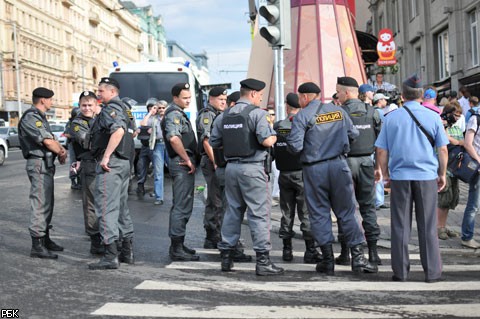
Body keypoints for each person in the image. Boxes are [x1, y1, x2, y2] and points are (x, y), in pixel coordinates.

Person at [287, 81, 377, 276]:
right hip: (339, 166)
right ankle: (358, 258)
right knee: (347, 211)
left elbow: (294, 146)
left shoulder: (303, 115)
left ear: (304, 97)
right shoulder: (338, 111)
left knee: (319, 213)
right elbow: (353, 134)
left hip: (314, 170)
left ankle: (327, 260)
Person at [375, 74, 448, 283]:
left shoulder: (391, 118)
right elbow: (442, 149)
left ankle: (401, 272)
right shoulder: (433, 116)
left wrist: (385, 174)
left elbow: (381, 150)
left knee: (400, 225)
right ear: (421, 95)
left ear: (402, 95)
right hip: (426, 177)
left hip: (400, 178)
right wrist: (441, 174)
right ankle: (432, 273)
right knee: (427, 226)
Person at [210, 78, 283, 276]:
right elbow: (267, 141)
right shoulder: (258, 114)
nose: (260, 98)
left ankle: (226, 257)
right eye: (259, 95)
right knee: (259, 213)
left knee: (232, 212)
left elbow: (214, 141)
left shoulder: (223, 116)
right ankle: (263, 261)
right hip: (253, 169)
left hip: (231, 169)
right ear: (252, 94)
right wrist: (275, 135)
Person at [88, 77, 136, 270]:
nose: (98, 94)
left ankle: (110, 255)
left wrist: (106, 156)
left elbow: (118, 131)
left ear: (112, 92)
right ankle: (127, 251)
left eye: (101, 91)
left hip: (112, 164)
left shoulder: (110, 109)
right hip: (123, 163)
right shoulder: (125, 108)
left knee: (106, 207)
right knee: (121, 207)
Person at [335, 77, 382, 267]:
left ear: (347, 93)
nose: (337, 95)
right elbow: (380, 144)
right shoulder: (373, 112)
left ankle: (346, 253)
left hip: (344, 163)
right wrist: (379, 167)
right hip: (366, 163)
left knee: (344, 208)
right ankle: (373, 252)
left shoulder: (338, 113)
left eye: (338, 91)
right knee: (368, 207)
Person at [18, 87, 67, 259]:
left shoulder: (40, 117)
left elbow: (52, 140)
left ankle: (45, 238)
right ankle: (37, 245)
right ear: (43, 100)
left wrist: (60, 149)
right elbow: (47, 141)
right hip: (38, 163)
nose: (52, 102)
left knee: (47, 202)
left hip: (45, 164)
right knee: (40, 203)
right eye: (51, 100)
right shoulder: (31, 117)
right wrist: (61, 152)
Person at [274, 92, 322, 263]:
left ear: (287, 106)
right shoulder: (305, 123)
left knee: (286, 213)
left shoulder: (279, 126)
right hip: (302, 174)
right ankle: (310, 251)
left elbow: (273, 151)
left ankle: (287, 250)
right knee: (305, 213)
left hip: (284, 175)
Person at [161, 82, 200, 261]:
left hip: (182, 162)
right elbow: (174, 138)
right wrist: (186, 159)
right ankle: (176, 248)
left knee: (184, 204)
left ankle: (179, 244)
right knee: (181, 206)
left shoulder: (178, 113)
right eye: (185, 98)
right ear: (175, 97)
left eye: (189, 97)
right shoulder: (174, 114)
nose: (188, 101)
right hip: (181, 163)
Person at [70, 91, 103, 254]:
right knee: (91, 204)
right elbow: (87, 141)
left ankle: (108, 237)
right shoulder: (77, 122)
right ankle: (95, 240)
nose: (87, 108)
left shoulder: (100, 119)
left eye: (90, 105)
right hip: (90, 165)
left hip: (104, 164)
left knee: (106, 202)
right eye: (84, 105)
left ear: (96, 105)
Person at [196, 87, 228, 248]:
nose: (223, 102)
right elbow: (206, 140)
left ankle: (215, 234)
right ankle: (214, 235)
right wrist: (215, 162)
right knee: (216, 200)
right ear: (211, 99)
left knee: (216, 199)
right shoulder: (207, 114)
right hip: (212, 161)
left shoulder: (218, 114)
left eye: (225, 99)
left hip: (216, 161)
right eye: (220, 99)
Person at [437, 102, 463, 240]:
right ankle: (438, 227)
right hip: (443, 168)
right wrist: (457, 142)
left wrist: (457, 142)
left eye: (459, 115)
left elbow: (462, 142)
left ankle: (443, 225)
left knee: (450, 199)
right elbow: (444, 140)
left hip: (454, 169)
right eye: (455, 115)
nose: (458, 118)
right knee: (442, 199)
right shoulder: (441, 125)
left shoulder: (457, 128)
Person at [136, 98, 166, 205]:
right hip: (154, 144)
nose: (161, 110)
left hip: (165, 145)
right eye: (159, 108)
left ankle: (164, 197)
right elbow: (143, 123)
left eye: (163, 108)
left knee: (166, 171)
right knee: (157, 171)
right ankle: (159, 196)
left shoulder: (167, 118)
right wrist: (150, 113)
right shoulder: (154, 119)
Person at [461, 99, 480, 249]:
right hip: (478, 167)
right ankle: (467, 236)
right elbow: (468, 143)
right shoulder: (475, 118)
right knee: (474, 204)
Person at [64, 107, 81, 190]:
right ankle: (73, 181)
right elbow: (66, 134)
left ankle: (80, 181)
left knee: (81, 163)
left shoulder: (81, 122)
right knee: (73, 163)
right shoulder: (70, 123)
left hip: (80, 144)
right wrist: (75, 135)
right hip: (73, 144)